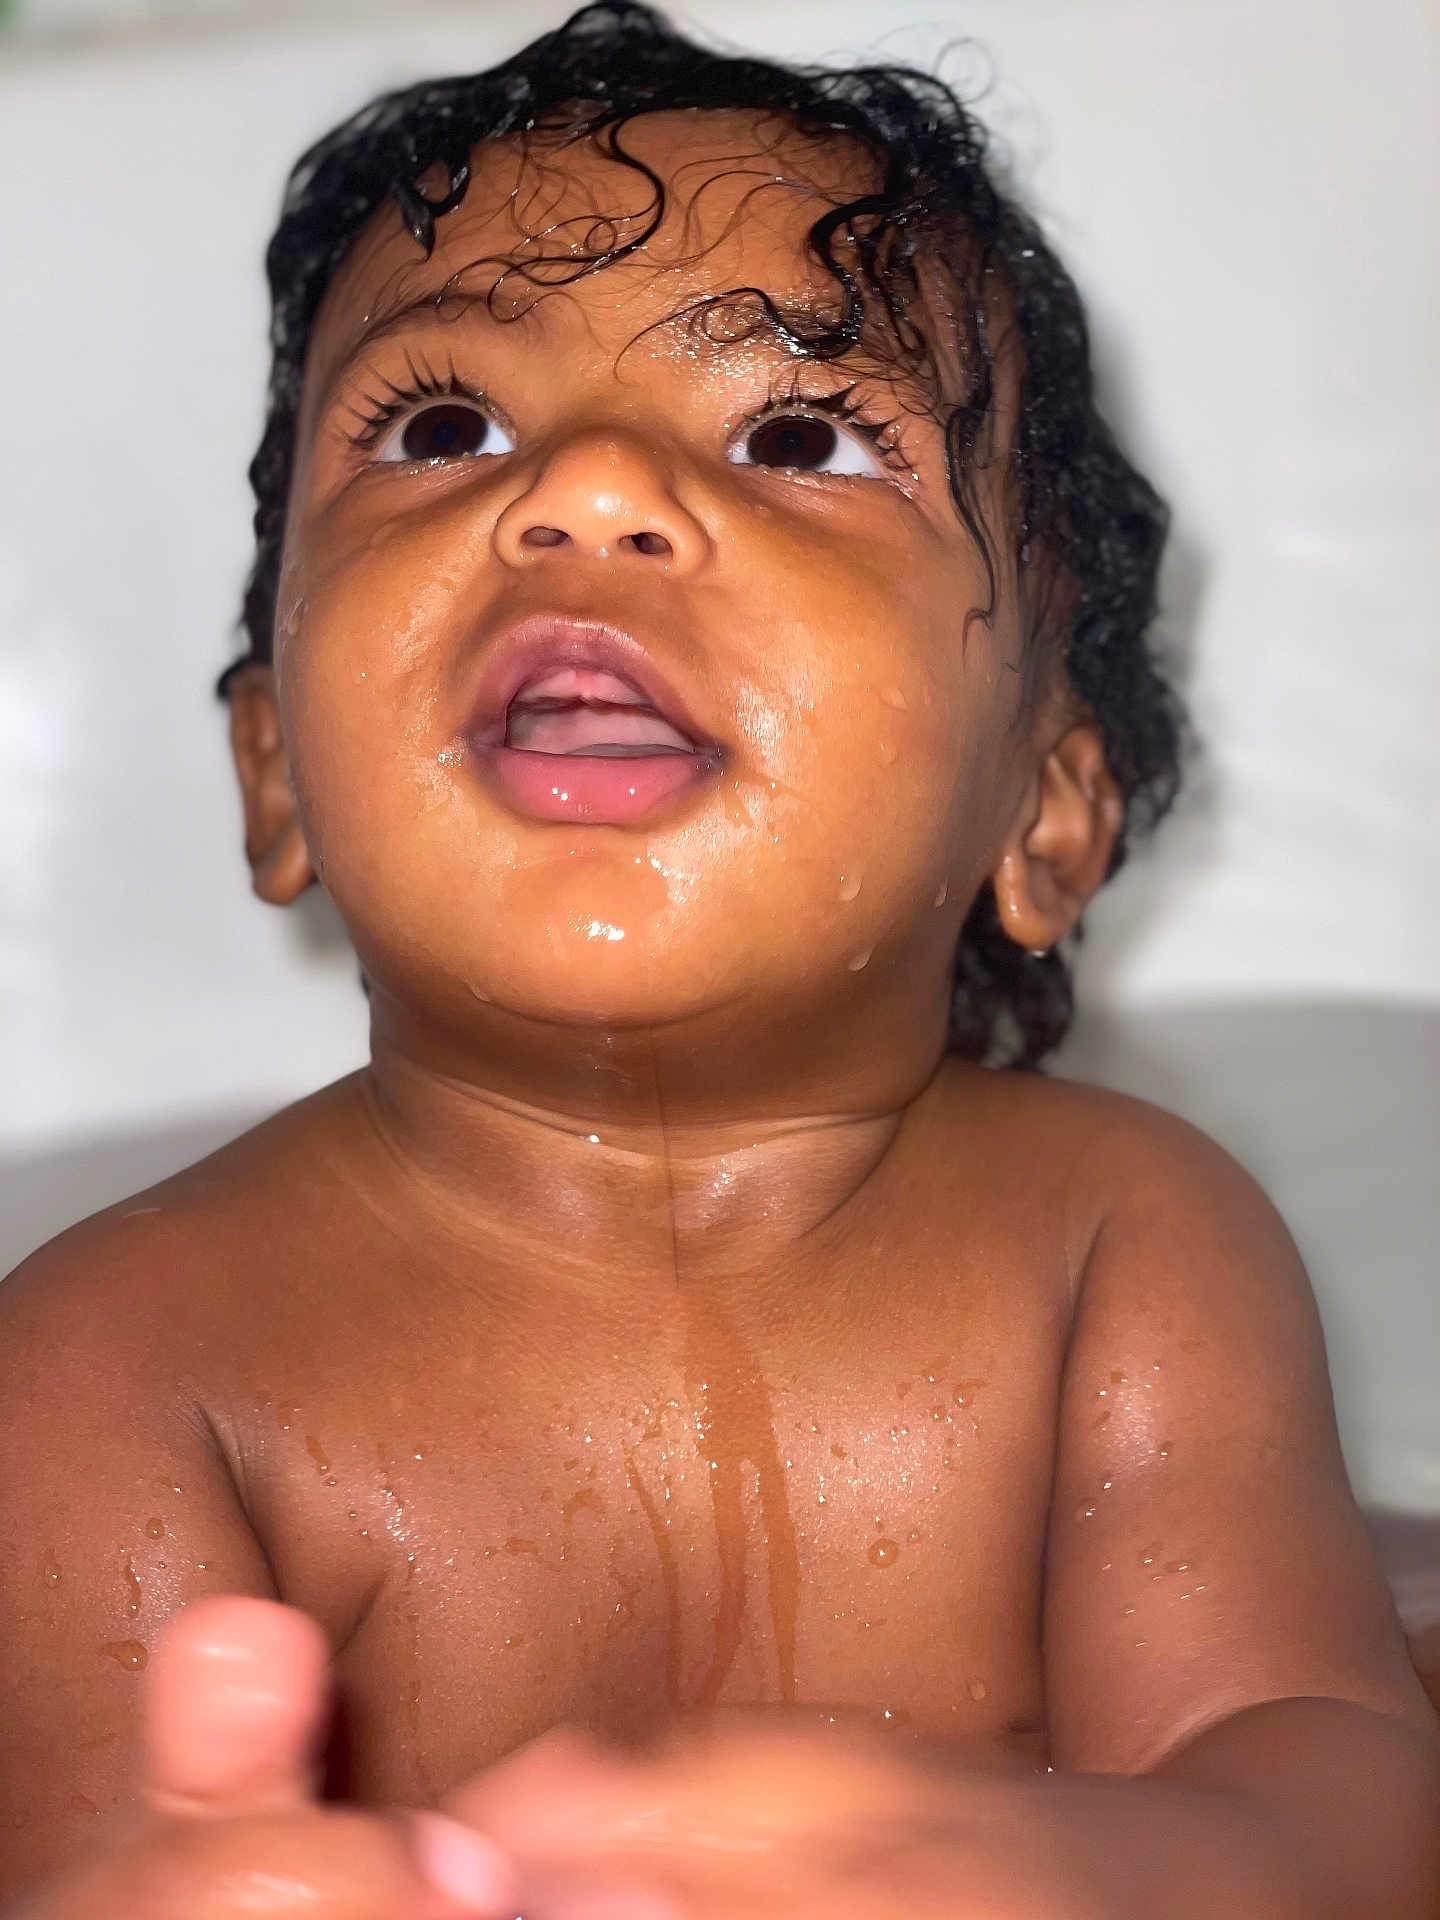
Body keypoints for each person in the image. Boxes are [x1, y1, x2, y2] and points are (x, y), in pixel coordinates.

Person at [2, 4, 1436, 1914]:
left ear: (1046, 809)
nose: (585, 491)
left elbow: (1325, 1798)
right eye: (446, 426)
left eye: (796, 432)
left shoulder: (1126, 1249)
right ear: (276, 773)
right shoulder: (109, 1368)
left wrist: (1088, 1869)